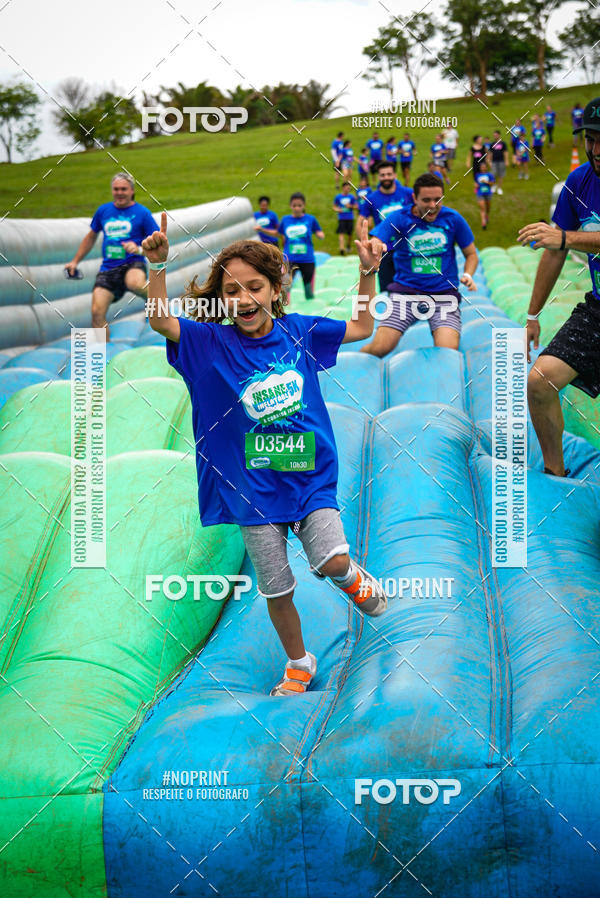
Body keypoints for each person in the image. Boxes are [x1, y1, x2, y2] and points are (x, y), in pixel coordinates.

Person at [143, 216, 388, 697]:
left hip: (306, 473)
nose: (244, 300)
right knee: (277, 588)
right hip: (251, 488)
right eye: (232, 291)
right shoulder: (210, 342)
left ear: (277, 289)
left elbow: (363, 325)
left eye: (255, 287)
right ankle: (299, 661)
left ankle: (352, 575)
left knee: (332, 560)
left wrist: (367, 272)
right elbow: (159, 320)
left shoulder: (299, 331)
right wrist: (156, 266)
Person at [520, 97, 600, 478]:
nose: (597, 150)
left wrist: (564, 238)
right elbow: (554, 250)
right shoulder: (579, 181)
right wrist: (533, 314)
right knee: (540, 382)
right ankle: (556, 474)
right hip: (598, 307)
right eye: (591, 138)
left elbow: (563, 240)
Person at [361, 172, 478, 358]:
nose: (433, 206)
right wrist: (374, 244)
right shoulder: (399, 218)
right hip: (406, 293)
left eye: (437, 200)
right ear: (414, 198)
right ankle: (346, 369)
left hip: (443, 296)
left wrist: (468, 275)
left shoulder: (453, 219)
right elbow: (377, 238)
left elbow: (471, 254)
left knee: (447, 352)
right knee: (380, 348)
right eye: (426, 200)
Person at [65, 172, 155, 340]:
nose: (119, 192)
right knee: (96, 312)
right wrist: (75, 261)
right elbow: (91, 237)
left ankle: (156, 303)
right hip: (108, 268)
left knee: (135, 283)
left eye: (123, 189)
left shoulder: (143, 213)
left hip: (133, 263)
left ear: (132, 191)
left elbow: (157, 240)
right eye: (116, 189)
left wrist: (138, 248)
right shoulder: (104, 211)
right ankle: (103, 353)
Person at [356, 160, 413, 293]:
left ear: (395, 175)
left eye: (389, 174)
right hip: (383, 251)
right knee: (387, 291)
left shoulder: (408, 194)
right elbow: (359, 223)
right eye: (382, 175)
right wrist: (365, 244)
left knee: (411, 289)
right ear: (378, 176)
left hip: (407, 249)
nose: (386, 177)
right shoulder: (371, 198)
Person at [278, 192, 324, 300]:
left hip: (307, 259)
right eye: (294, 205)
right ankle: (285, 310)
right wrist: (261, 230)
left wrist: (319, 235)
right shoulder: (285, 220)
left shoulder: (310, 219)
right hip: (289, 260)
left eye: (299, 205)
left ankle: (309, 309)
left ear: (304, 206)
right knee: (285, 288)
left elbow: (319, 231)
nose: (297, 208)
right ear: (290, 206)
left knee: (308, 291)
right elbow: (279, 234)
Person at [333, 181, 358, 255]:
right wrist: (338, 209)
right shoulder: (338, 197)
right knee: (341, 233)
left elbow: (356, 206)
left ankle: (348, 245)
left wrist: (350, 206)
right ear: (343, 188)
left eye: (349, 188)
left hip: (350, 217)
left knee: (350, 234)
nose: (348, 189)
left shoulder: (351, 197)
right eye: (347, 188)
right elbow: (334, 206)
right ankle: (341, 248)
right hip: (341, 218)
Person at [474, 161, 494, 229]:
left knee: (488, 207)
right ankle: (483, 223)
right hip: (480, 193)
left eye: (484, 167)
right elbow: (476, 183)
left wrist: (486, 182)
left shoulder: (489, 175)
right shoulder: (477, 175)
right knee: (482, 208)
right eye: (481, 167)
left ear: (486, 167)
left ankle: (486, 215)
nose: (483, 168)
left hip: (488, 192)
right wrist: (476, 186)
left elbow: (492, 183)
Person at [490, 130, 508, 194]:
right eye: (494, 135)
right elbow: (490, 153)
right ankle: (494, 186)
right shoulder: (492, 144)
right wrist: (490, 162)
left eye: (496, 135)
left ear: (499, 135)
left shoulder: (503, 143)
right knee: (493, 174)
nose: (495, 136)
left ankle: (499, 188)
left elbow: (505, 152)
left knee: (500, 175)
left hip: (501, 161)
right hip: (494, 161)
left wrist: (506, 161)